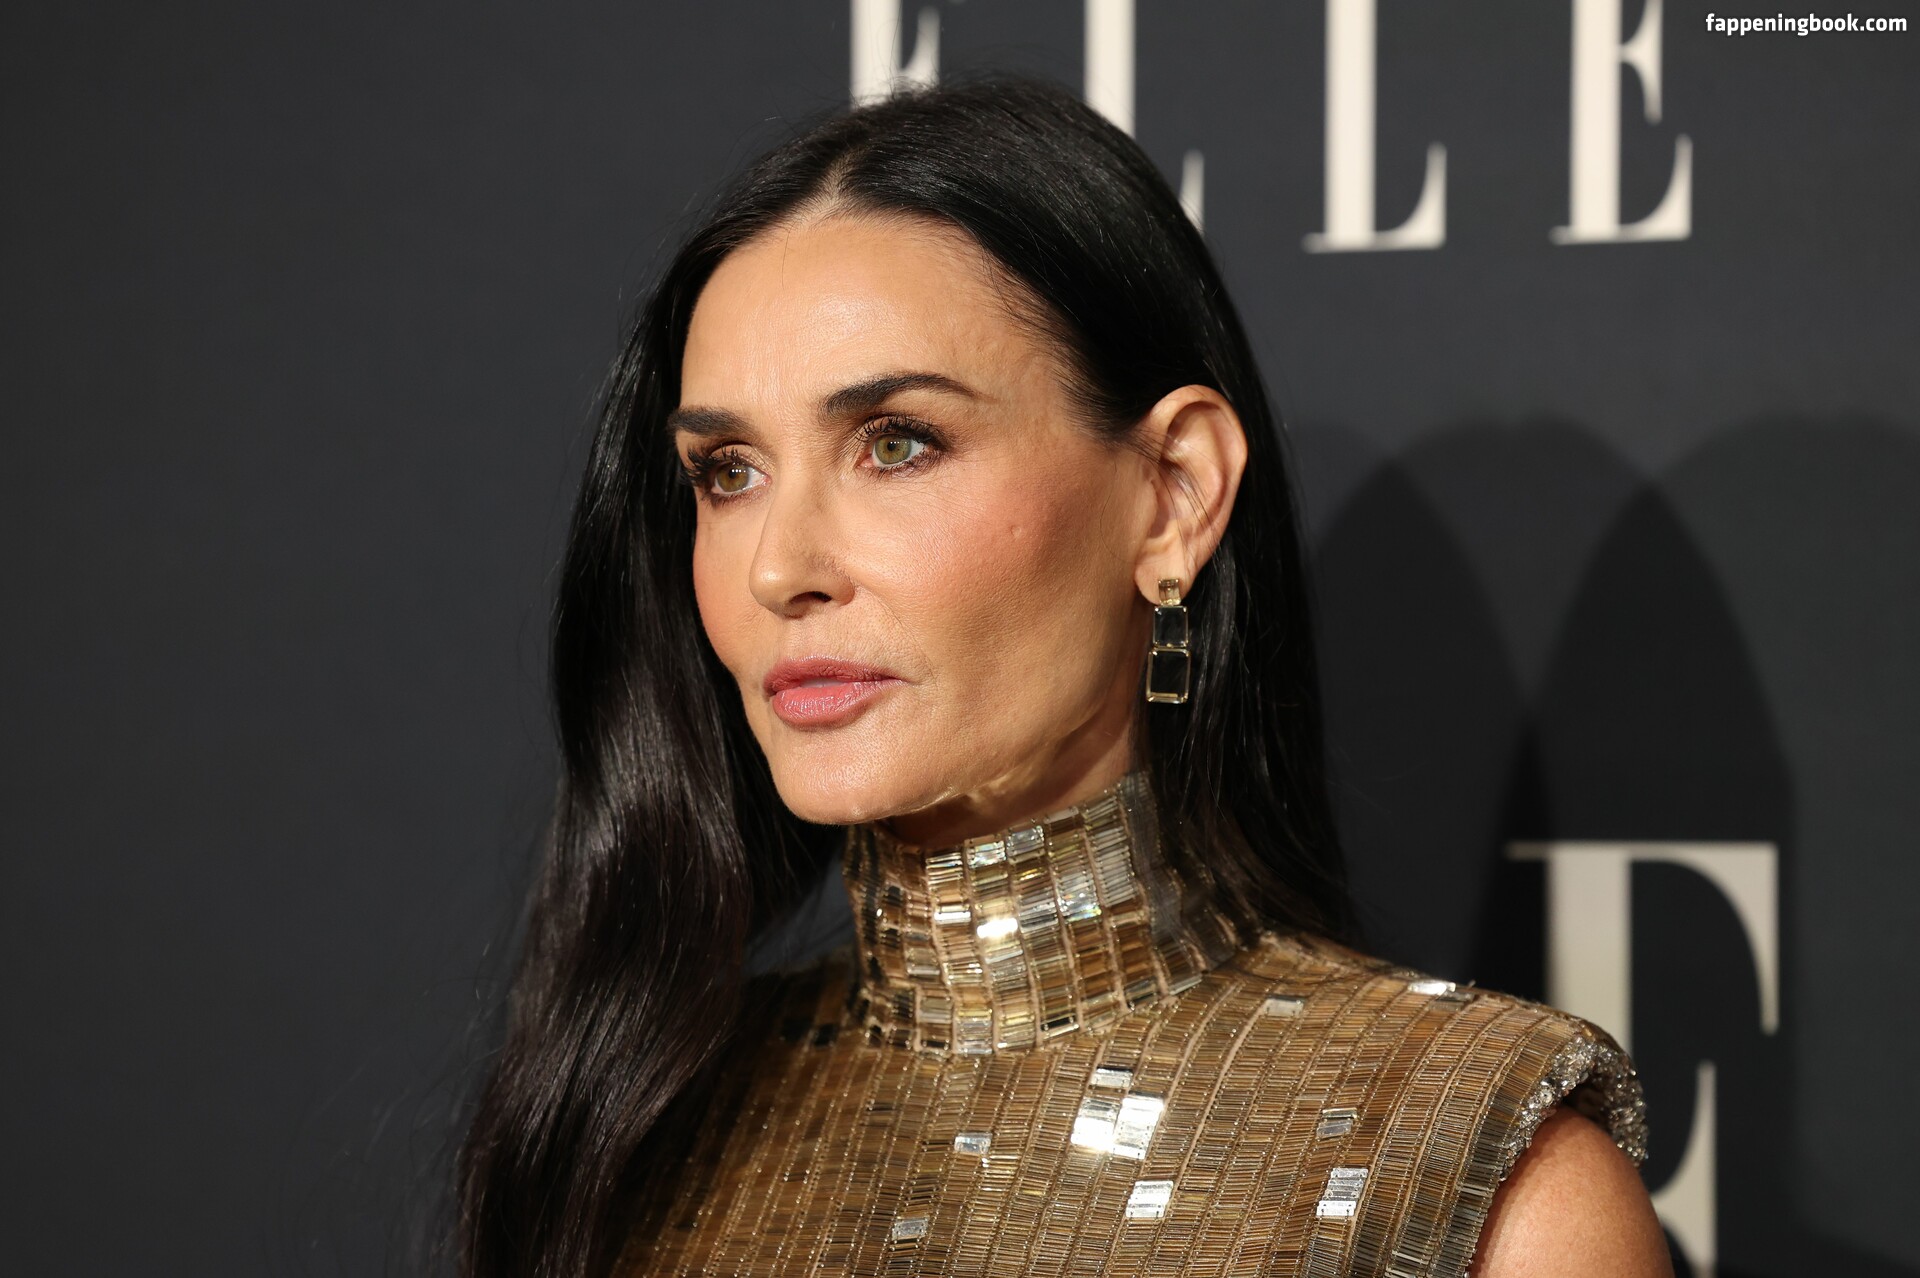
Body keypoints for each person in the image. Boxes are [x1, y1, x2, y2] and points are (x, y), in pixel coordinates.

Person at [455, 73, 1670, 1278]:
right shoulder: (637, 1122)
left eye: (896, 444)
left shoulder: (1482, 1185)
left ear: (1173, 494)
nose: (780, 569)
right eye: (728, 470)